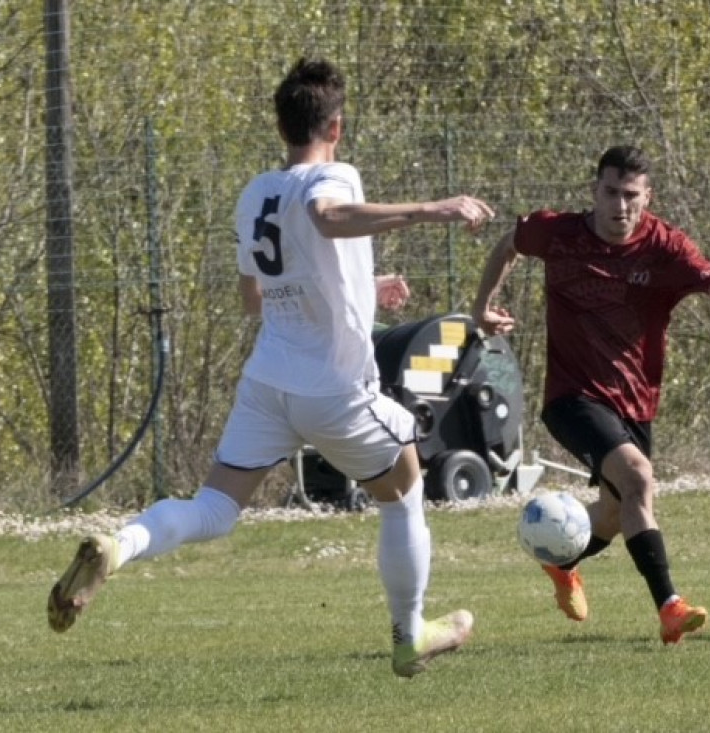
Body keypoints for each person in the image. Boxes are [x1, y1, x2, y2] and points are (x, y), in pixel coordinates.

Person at [47, 57, 495, 678]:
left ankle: (118, 546)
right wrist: (433, 208)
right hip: (334, 391)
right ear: (336, 126)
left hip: (269, 383)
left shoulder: (256, 193)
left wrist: (364, 288)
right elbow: (327, 216)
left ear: (281, 126)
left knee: (213, 509)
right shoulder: (334, 176)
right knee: (404, 491)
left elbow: (255, 296)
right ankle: (409, 632)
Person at [472, 145, 710, 644]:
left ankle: (562, 562)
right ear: (595, 191)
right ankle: (670, 608)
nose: (620, 205)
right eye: (611, 192)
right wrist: (482, 307)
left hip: (635, 401)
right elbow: (509, 244)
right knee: (638, 477)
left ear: (647, 198)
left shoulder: (664, 245)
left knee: (618, 512)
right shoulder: (559, 232)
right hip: (572, 397)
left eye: (631, 195)